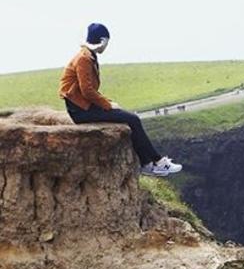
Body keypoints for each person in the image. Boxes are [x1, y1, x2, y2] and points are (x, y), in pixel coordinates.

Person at [59, 23, 181, 177]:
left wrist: (108, 103)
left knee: (128, 117)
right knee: (133, 119)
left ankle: (150, 163)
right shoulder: (84, 58)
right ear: (102, 41)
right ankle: (155, 162)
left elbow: (88, 91)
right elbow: (87, 91)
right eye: (107, 42)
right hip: (80, 111)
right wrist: (107, 104)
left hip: (82, 106)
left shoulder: (87, 55)